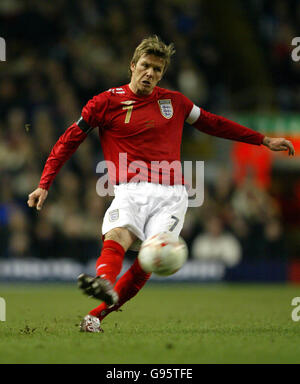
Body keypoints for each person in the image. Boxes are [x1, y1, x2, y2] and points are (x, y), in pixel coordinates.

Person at [27, 35, 295, 333]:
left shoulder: (175, 102)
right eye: (145, 66)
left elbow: (213, 123)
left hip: (171, 196)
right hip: (129, 190)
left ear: (162, 73)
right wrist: (44, 183)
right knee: (117, 235)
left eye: (157, 69)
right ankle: (103, 281)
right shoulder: (105, 102)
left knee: (149, 260)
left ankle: (95, 316)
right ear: (132, 66)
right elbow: (69, 140)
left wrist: (262, 139)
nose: (150, 73)